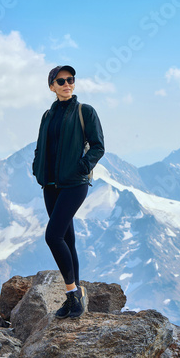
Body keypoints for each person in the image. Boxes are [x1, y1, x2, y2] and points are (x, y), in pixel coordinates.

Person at [32, 65, 105, 319]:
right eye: (61, 81)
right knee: (67, 238)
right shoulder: (47, 115)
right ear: (52, 86)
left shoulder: (85, 111)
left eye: (70, 80)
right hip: (50, 185)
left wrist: (82, 167)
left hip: (75, 184)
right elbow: (41, 145)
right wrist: (37, 166)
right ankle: (76, 297)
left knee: (52, 236)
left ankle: (72, 293)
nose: (66, 84)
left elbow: (98, 146)